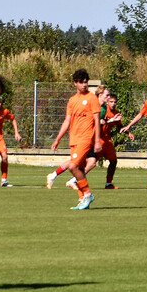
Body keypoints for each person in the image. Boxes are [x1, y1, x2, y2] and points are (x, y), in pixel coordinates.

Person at [47, 69, 102, 210]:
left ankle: (88, 194)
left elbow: (96, 120)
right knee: (80, 169)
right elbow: (67, 121)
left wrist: (96, 141)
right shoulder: (72, 100)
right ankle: (82, 199)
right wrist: (58, 139)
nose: (84, 85)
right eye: (82, 82)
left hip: (86, 139)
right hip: (74, 139)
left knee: (72, 166)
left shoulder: (92, 98)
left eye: (86, 82)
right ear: (75, 83)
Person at [67, 87, 123, 190]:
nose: (109, 98)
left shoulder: (104, 108)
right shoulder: (97, 107)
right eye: (107, 96)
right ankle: (73, 181)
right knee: (80, 163)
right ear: (100, 95)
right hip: (89, 138)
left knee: (89, 162)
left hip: (98, 140)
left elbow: (101, 123)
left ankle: (82, 187)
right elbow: (97, 123)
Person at [0, 94, 21, 187]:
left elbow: (13, 119)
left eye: (0, 102)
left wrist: (16, 133)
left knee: (5, 157)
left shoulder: (4, 111)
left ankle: (4, 180)